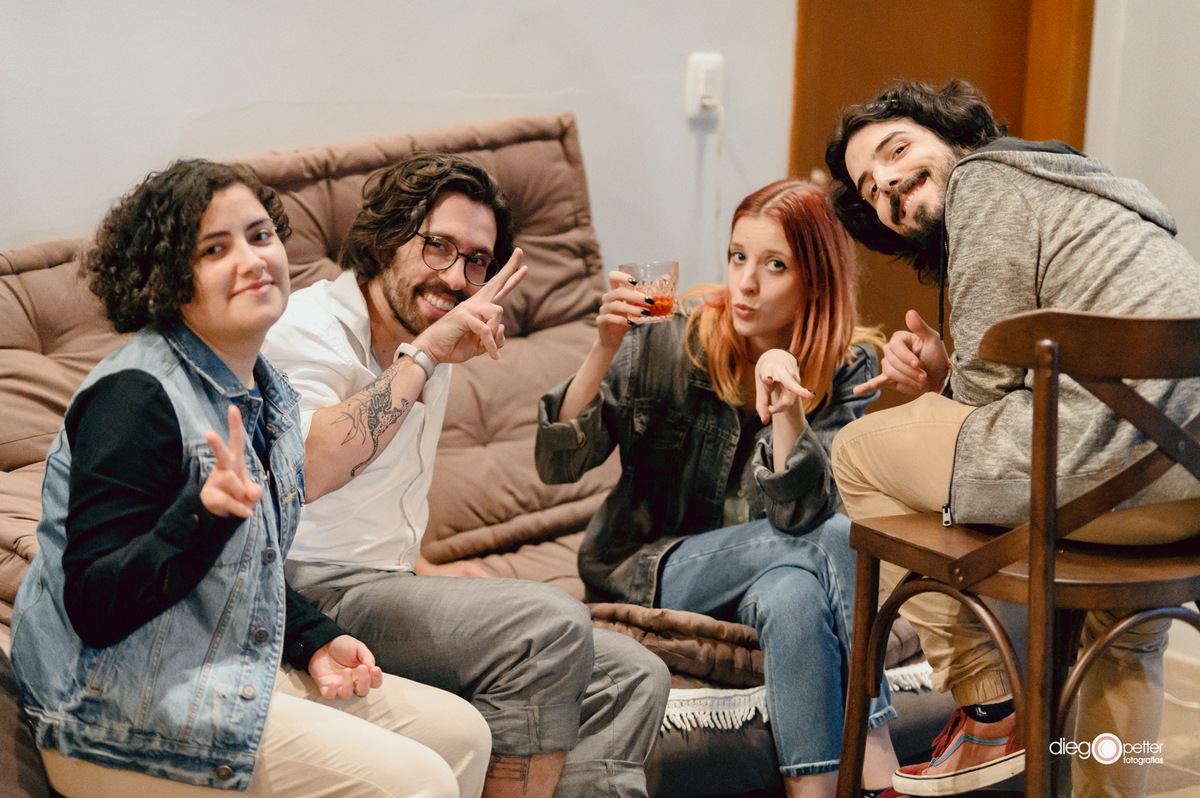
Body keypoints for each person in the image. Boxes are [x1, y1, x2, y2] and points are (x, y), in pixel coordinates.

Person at [9, 160, 493, 798]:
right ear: (168, 278)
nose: (253, 259)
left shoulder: (268, 393)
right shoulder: (137, 396)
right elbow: (94, 609)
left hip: (218, 664)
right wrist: (199, 517)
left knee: (462, 735)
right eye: (217, 248)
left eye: (261, 236)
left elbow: (246, 572)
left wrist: (318, 640)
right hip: (115, 709)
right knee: (417, 781)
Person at [824, 79, 1200, 797]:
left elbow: (986, 401)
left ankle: (989, 708)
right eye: (870, 189)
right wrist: (947, 370)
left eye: (897, 150)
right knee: (1121, 642)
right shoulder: (1084, 191)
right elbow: (1012, 384)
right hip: (1182, 499)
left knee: (857, 453)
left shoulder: (986, 181)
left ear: (957, 137)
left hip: (1094, 479)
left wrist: (942, 386)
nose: (890, 185)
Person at [260, 152, 670, 798]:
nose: (457, 277)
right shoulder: (308, 328)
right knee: (552, 623)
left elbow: (379, 500)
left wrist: (424, 568)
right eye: (438, 248)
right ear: (384, 239)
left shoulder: (429, 334)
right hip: (305, 594)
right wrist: (424, 355)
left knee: (634, 672)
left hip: (385, 585)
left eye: (476, 260)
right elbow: (306, 471)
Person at [536, 179, 902, 798]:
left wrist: (787, 408)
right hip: (654, 564)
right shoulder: (666, 334)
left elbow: (800, 514)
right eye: (738, 258)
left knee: (792, 597)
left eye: (774, 265)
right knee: (837, 538)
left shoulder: (846, 367)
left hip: (769, 572)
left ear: (815, 280)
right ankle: (879, 754)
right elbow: (558, 465)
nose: (746, 285)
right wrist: (602, 349)